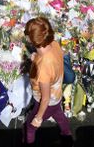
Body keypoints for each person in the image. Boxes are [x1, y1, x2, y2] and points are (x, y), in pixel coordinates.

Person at [23, 17, 73, 147]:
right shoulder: (54, 44)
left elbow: (45, 98)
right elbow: (55, 62)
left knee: (30, 126)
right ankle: (67, 136)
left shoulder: (44, 67)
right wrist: (36, 58)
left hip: (46, 102)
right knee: (59, 116)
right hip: (56, 96)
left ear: (32, 40)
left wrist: (38, 118)